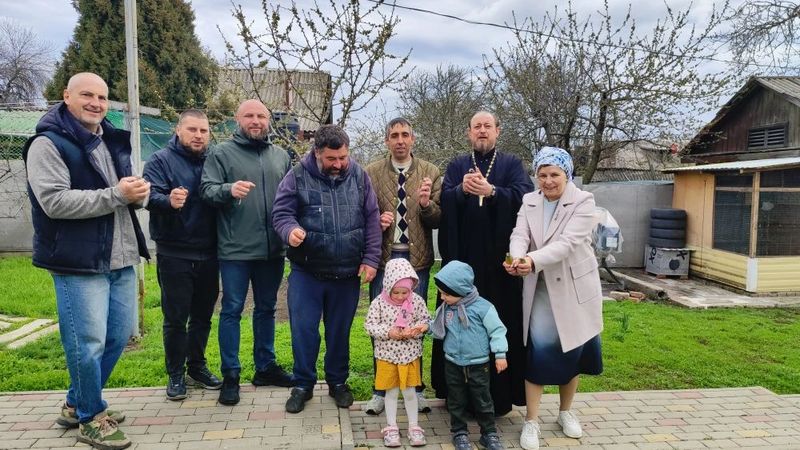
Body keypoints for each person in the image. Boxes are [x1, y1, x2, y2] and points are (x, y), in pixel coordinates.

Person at [22, 72, 150, 450]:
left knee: (117, 337)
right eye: (87, 95)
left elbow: (120, 194)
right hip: (77, 261)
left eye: (102, 97)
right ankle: (91, 418)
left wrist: (137, 194)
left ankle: (75, 403)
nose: (96, 103)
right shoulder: (48, 144)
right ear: (66, 96)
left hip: (120, 256)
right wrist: (117, 194)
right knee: (87, 343)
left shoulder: (109, 138)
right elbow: (54, 201)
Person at [272, 124, 381, 413]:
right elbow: (281, 213)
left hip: (346, 273)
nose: (339, 164)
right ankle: (303, 385)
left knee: (339, 332)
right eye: (332, 159)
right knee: (304, 331)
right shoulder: (296, 176)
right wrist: (290, 230)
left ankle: (338, 382)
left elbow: (372, 218)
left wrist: (371, 259)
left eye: (343, 157)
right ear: (317, 153)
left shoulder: (359, 176)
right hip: (307, 272)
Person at [434, 110, 534, 415]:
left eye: (487, 126)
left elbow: (525, 197)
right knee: (458, 326)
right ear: (468, 132)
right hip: (464, 262)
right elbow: (444, 200)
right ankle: (456, 395)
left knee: (498, 324)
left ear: (497, 131)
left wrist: (492, 192)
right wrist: (461, 191)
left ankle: (499, 398)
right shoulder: (457, 165)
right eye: (476, 126)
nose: (481, 131)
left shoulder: (512, 164)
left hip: (498, 266)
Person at [504, 147, 603, 450]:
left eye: (554, 175)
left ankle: (565, 412)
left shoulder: (583, 201)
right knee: (538, 352)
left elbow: (568, 243)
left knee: (573, 350)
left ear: (566, 175)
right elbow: (519, 234)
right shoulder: (529, 200)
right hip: (540, 289)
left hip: (574, 290)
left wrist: (531, 260)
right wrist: (517, 257)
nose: (547, 181)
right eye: (542, 174)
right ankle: (531, 421)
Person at [200, 99, 293, 406]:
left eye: (261, 116)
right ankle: (231, 374)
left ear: (269, 120)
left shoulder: (281, 156)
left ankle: (265, 367)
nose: (256, 121)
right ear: (237, 119)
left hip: (272, 250)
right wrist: (228, 190)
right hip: (235, 250)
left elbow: (291, 197)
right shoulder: (221, 153)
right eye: (249, 116)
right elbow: (206, 190)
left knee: (267, 309)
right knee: (232, 310)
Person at [143, 109, 222, 401]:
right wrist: (168, 200)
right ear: (178, 130)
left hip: (210, 252)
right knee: (176, 318)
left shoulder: (214, 160)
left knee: (203, 316)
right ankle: (175, 373)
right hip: (174, 252)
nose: (198, 136)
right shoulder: (160, 160)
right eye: (192, 129)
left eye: (203, 130)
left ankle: (197, 367)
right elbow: (147, 196)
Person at [364, 117, 441, 415]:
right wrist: (376, 221)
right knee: (382, 325)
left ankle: (415, 388)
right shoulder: (371, 172)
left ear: (413, 138)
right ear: (386, 140)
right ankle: (380, 390)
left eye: (405, 134)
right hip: (384, 261)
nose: (400, 140)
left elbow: (438, 219)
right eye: (394, 135)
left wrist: (426, 205)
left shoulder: (430, 172)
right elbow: (361, 214)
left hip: (416, 262)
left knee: (414, 324)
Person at [430, 260, 508, 450]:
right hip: (453, 362)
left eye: (446, 294)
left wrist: (500, 354)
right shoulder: (446, 309)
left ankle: (489, 433)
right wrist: (425, 328)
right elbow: (436, 327)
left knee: (483, 400)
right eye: (441, 293)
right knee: (456, 400)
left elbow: (497, 330)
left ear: (461, 290)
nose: (442, 297)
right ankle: (459, 433)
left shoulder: (483, 308)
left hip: (478, 364)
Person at [364, 258, 431, 447]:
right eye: (396, 292)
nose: (401, 296)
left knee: (410, 392)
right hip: (387, 356)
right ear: (388, 286)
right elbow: (370, 325)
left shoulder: (416, 301)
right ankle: (391, 427)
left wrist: (417, 329)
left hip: (409, 356)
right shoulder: (379, 303)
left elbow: (426, 320)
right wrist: (388, 332)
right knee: (391, 392)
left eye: (405, 292)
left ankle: (414, 426)